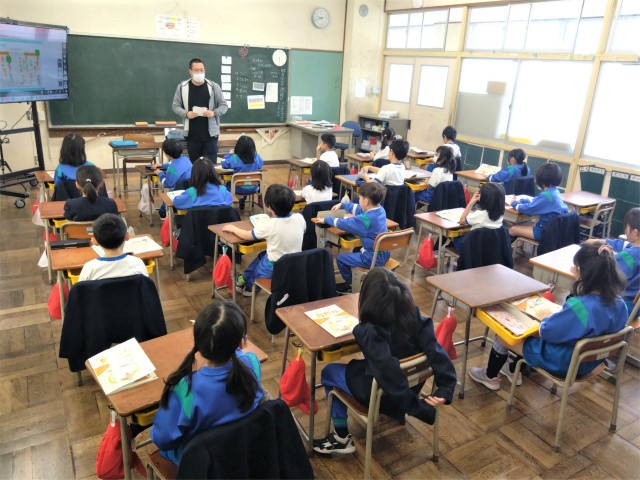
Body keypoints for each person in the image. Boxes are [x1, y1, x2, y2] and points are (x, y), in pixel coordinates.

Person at [313, 268, 457, 454]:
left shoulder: (367, 331)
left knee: (328, 372)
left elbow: (388, 372)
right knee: (375, 364)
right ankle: (394, 411)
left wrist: (416, 407)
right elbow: (437, 351)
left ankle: (341, 437)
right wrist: (446, 387)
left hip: (381, 394)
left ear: (367, 300)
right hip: (410, 387)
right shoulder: (415, 316)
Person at [469, 240, 628, 390]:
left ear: (585, 273)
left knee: (505, 336)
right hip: (592, 361)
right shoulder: (621, 304)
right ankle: (512, 369)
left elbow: (546, 332)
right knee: (528, 335)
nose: (573, 270)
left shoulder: (580, 308)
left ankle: (490, 376)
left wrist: (544, 319)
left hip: (565, 362)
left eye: (576, 266)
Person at [151, 300, 263, 464]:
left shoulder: (186, 390)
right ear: (241, 342)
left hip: (200, 465)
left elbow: (162, 439)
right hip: (242, 454)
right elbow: (240, 356)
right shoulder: (252, 363)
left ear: (198, 343)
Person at [222, 184, 306, 297]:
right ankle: (243, 279)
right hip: (295, 263)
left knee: (259, 271)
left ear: (269, 207)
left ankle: (250, 288)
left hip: (275, 266)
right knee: (262, 256)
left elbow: (247, 235)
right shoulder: (299, 218)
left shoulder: (269, 225)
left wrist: (233, 228)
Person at [314, 182, 388, 294]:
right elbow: (359, 209)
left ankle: (351, 284)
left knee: (341, 259)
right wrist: (343, 205)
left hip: (372, 257)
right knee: (355, 250)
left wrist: (326, 220)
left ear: (366, 201)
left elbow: (346, 223)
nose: (359, 201)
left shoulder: (366, 220)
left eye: (360, 198)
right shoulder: (380, 210)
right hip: (383, 253)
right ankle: (356, 278)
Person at [172, 58, 228, 163]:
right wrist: (186, 114)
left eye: (202, 70)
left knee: (210, 166)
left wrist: (214, 112)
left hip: (210, 136)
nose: (199, 73)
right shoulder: (182, 87)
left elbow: (224, 106)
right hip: (192, 135)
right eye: (196, 70)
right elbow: (175, 106)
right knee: (195, 166)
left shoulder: (213, 87)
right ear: (190, 71)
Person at [78, 213, 148, 281]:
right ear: (127, 236)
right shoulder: (138, 264)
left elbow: (81, 288)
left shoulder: (89, 268)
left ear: (95, 241)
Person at [508, 162, 568, 241]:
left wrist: (513, 203)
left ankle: (505, 248)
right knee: (519, 224)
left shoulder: (546, 196)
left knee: (513, 229)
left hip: (544, 232)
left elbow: (528, 209)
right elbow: (535, 202)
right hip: (551, 229)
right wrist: (522, 201)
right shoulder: (554, 192)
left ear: (541, 180)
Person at [605, 207, 640, 312]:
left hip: (621, 307)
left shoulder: (628, 256)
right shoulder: (631, 252)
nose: (625, 230)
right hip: (636, 308)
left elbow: (609, 278)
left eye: (626, 227)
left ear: (636, 232)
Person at [453, 182, 505, 250]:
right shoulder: (501, 215)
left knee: (456, 238)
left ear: (483, 199)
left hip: (472, 248)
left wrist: (471, 203)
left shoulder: (479, 215)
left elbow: (461, 220)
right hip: (489, 248)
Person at [153, 139, 193, 219]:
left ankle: (163, 213)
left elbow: (167, 183)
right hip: (191, 190)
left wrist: (160, 173)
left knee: (169, 193)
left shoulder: (172, 169)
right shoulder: (186, 159)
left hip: (179, 191)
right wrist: (162, 165)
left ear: (167, 155)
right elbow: (174, 163)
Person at [221, 135, 264, 211]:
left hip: (237, 189)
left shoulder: (235, 157)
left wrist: (229, 154)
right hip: (253, 188)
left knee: (224, 185)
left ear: (238, 147)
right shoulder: (256, 157)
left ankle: (227, 207)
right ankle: (242, 202)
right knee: (245, 182)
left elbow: (224, 164)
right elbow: (261, 164)